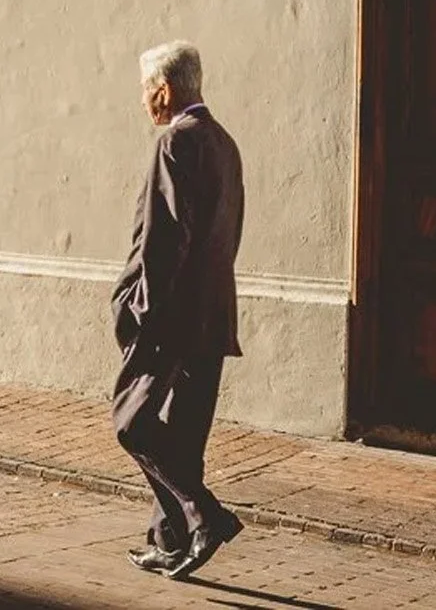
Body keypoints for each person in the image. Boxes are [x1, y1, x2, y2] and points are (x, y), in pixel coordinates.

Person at [111, 40, 246, 580]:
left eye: (146, 91)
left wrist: (140, 306)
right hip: (214, 313)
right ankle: (170, 540)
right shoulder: (225, 143)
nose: (144, 101)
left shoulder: (175, 143)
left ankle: (203, 515)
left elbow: (164, 241)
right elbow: (226, 233)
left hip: (172, 316)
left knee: (131, 421)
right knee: (185, 435)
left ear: (163, 91)